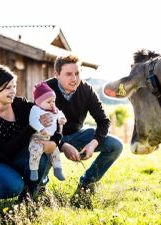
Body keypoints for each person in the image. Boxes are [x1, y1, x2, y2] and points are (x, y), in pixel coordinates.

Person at [0, 64, 61, 202]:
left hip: (14, 159)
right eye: (8, 88)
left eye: (14, 86)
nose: (13, 91)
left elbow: (52, 116)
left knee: (41, 156)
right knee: (15, 186)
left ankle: (27, 199)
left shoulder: (20, 105)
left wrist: (56, 141)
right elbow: (3, 151)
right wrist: (32, 127)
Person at [45, 55, 123, 202]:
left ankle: (86, 184)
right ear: (56, 74)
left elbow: (103, 121)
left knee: (115, 145)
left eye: (77, 73)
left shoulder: (86, 89)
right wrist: (62, 145)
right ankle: (40, 189)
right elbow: (38, 127)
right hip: (49, 138)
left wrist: (93, 143)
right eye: (68, 74)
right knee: (43, 147)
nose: (74, 78)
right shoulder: (45, 90)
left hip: (77, 134)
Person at [29, 82, 67, 181]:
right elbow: (32, 120)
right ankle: (34, 171)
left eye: (53, 101)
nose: (52, 104)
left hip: (49, 138)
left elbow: (61, 115)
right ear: (39, 102)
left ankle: (58, 170)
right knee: (35, 151)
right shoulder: (36, 109)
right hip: (37, 137)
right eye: (48, 102)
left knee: (56, 152)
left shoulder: (54, 110)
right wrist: (41, 128)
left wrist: (63, 119)